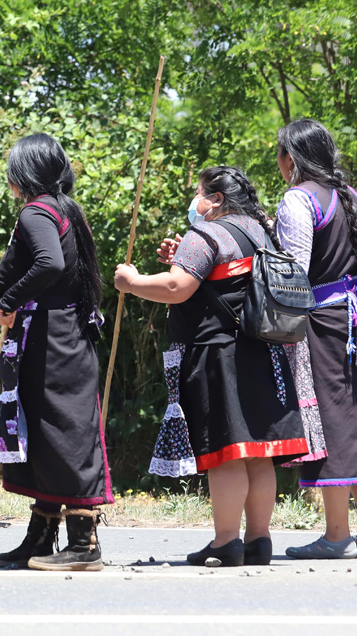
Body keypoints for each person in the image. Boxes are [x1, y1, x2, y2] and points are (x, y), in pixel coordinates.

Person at [115, 166, 308, 567]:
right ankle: (258, 539)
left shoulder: (205, 233)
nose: (195, 202)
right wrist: (178, 263)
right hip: (264, 351)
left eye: (199, 193)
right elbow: (216, 279)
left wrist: (130, 281)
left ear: (216, 199)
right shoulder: (261, 230)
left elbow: (175, 288)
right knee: (258, 453)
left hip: (220, 355)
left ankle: (225, 541)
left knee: (227, 453)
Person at [0, 133, 112, 572]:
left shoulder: (36, 212)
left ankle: (84, 543)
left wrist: (9, 302)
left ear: (25, 171)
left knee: (64, 432)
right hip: (59, 333)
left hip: (52, 336)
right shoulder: (64, 209)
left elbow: (50, 264)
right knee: (45, 433)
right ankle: (41, 535)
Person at [273, 119, 357, 560]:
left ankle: (337, 535)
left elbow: (291, 275)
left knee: (331, 422)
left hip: (323, 325)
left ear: (291, 159)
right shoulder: (349, 197)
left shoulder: (298, 200)